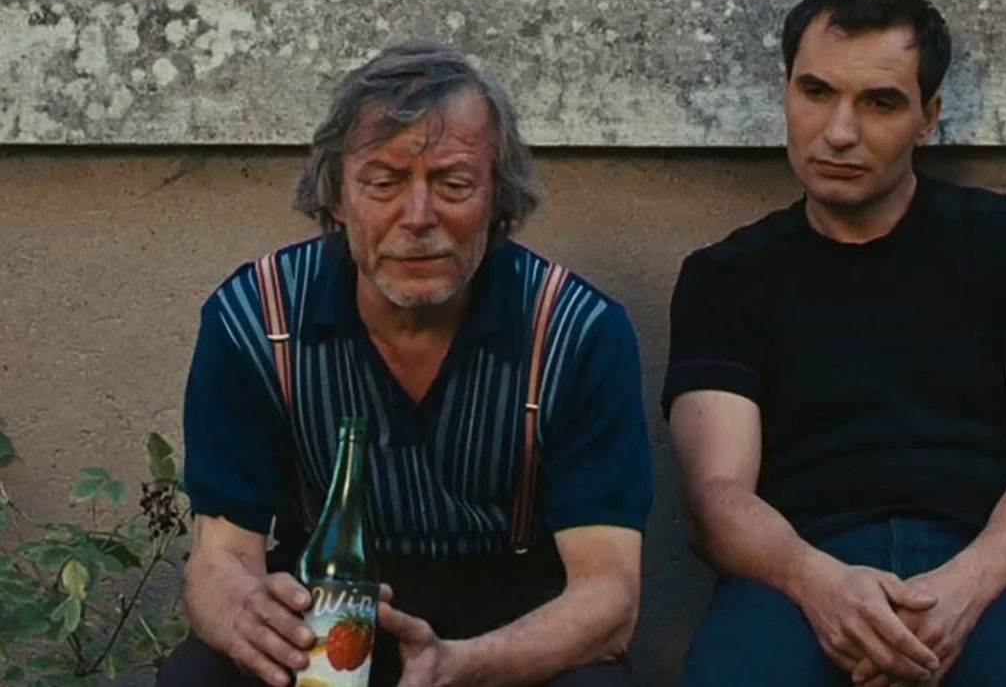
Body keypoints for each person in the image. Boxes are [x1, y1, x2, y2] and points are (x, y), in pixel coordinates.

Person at [158, 41, 651, 687]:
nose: (418, 218)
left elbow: (609, 595)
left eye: (453, 184)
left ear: (498, 199)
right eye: (384, 183)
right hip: (323, 613)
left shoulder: (576, 332)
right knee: (199, 674)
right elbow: (219, 557)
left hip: (508, 623)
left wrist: (469, 665)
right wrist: (247, 617)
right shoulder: (258, 317)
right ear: (337, 197)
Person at [664, 0, 1006, 685]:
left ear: (927, 118)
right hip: (796, 575)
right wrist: (819, 585)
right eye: (816, 92)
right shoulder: (723, 277)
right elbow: (715, 497)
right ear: (786, 90)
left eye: (879, 102)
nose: (838, 131)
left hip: (991, 567)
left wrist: (962, 589)